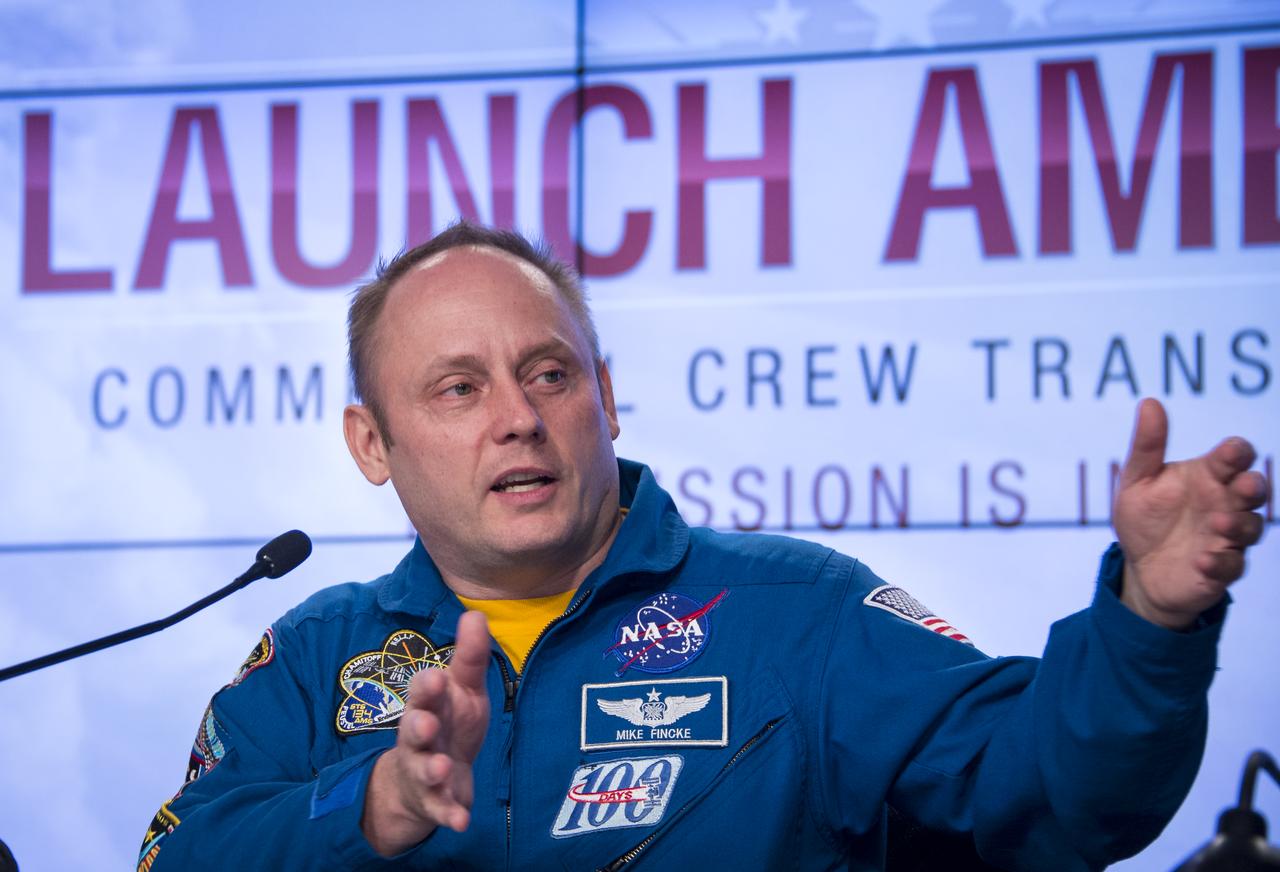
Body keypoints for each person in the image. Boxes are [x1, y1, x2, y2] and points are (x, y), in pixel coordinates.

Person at [138, 221, 1268, 871]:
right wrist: (371, 801)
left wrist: (1146, 622)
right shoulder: (311, 654)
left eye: (548, 372)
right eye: (456, 387)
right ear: (371, 443)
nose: (517, 417)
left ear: (605, 399)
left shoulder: (795, 613)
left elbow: (1054, 793)